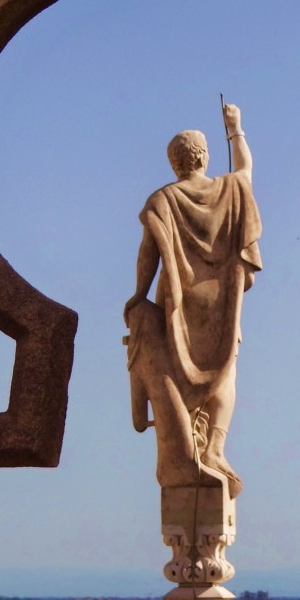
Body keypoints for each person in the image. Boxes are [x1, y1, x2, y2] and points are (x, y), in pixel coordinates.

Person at [124, 104, 262, 497]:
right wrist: (236, 129)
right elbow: (246, 170)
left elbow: (147, 254)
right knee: (224, 370)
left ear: (174, 163)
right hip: (223, 297)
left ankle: (192, 446)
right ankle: (213, 447)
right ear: (205, 157)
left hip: (179, 299)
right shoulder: (231, 190)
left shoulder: (162, 200)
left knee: (180, 370)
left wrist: (138, 295)